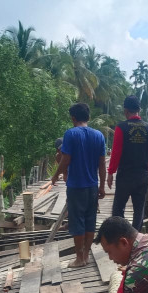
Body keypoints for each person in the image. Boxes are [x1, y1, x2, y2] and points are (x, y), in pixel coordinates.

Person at [51, 103, 106, 268]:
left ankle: (79, 258)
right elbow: (102, 165)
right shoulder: (99, 135)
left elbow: (65, 160)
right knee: (90, 221)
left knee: (77, 222)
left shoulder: (70, 134)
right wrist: (102, 186)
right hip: (92, 186)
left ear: (73, 118)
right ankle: (86, 255)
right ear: (88, 117)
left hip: (76, 186)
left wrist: (55, 176)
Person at [107, 95, 148, 231]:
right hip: (142, 175)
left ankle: (119, 235)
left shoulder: (121, 127)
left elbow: (116, 153)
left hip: (125, 175)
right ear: (139, 110)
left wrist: (110, 173)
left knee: (118, 208)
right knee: (139, 208)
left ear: (125, 110)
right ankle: (135, 237)